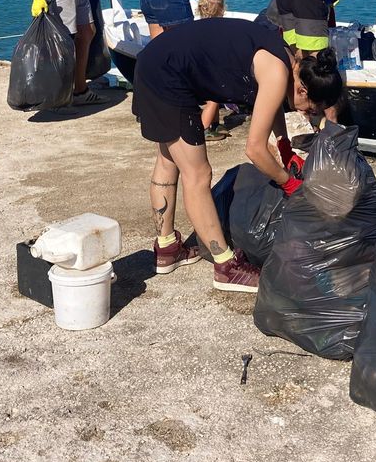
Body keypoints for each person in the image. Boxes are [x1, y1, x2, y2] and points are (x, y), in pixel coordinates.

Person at [132, 18, 343, 292]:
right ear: (302, 89)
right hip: (167, 76)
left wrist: (284, 145)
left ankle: (167, 247)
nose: (307, 114)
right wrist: (288, 182)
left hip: (158, 61)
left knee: (169, 160)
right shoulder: (278, 74)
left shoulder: (287, 61)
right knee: (198, 173)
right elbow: (254, 149)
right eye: (311, 109)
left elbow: (272, 103)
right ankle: (226, 267)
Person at [196, 0, 229, 142]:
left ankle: (214, 124)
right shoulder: (220, 29)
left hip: (200, 71)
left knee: (214, 100)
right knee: (213, 100)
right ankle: (203, 128)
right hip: (212, 72)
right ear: (222, 9)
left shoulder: (199, 27)